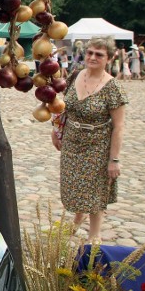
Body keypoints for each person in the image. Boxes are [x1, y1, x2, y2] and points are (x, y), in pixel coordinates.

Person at [51, 36, 127, 244]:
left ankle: (95, 236)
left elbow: (119, 126)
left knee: (96, 192)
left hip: (98, 145)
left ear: (109, 58)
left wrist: (114, 159)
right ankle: (77, 217)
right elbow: (61, 107)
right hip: (72, 142)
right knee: (72, 186)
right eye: (90, 52)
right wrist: (56, 131)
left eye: (99, 54)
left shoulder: (113, 88)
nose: (93, 57)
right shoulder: (75, 75)